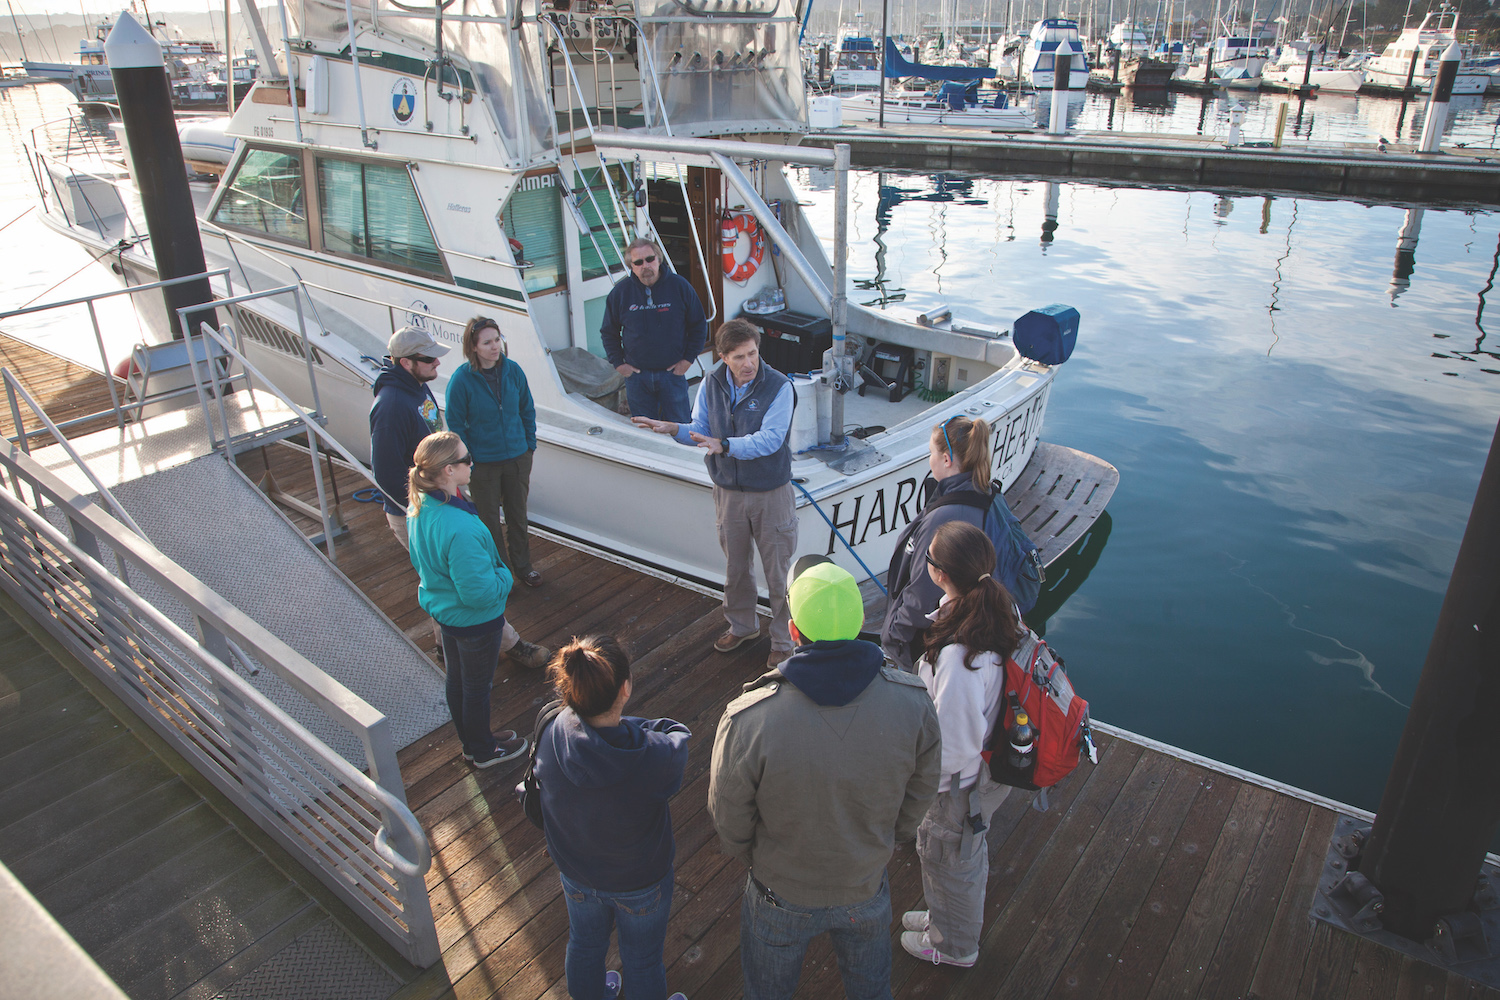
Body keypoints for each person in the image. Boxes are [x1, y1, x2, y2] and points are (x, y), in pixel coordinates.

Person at [708, 556, 941, 1000]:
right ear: (858, 625)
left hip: (779, 889)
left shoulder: (750, 717)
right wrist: (890, 837)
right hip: (865, 881)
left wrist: (756, 857)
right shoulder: (913, 703)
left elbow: (728, 816)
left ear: (794, 631)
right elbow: (923, 787)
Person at [632, 318, 797, 668]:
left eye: (752, 353)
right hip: (728, 493)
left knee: (778, 573)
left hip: (771, 492)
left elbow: (771, 439)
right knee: (736, 567)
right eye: (738, 357)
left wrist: (723, 445)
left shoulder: (780, 387)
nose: (748, 363)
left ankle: (784, 640)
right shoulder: (711, 383)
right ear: (723, 357)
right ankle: (743, 626)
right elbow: (700, 429)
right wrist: (674, 429)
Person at [534, 636, 691, 1000]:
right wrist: (623, 724)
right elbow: (675, 733)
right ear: (625, 688)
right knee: (643, 960)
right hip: (640, 880)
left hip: (575, 870)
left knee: (585, 944)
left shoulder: (550, 728)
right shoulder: (655, 756)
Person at [902, 521, 1025, 968]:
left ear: (939, 574)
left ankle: (954, 947)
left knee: (950, 858)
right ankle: (942, 917)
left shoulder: (959, 656)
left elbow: (953, 746)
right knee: (954, 856)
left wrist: (919, 793)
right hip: (990, 769)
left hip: (962, 785)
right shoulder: (999, 611)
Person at [405, 432, 544, 768]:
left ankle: (473, 741)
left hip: (447, 614)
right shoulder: (458, 527)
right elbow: (478, 594)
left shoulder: (422, 506)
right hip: (475, 623)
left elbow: (420, 561)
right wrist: (505, 576)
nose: (472, 462)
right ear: (448, 471)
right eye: (466, 459)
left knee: (458, 681)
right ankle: (482, 751)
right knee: (477, 688)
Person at [881, 414, 995, 672]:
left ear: (946, 459)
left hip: (936, 640)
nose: (929, 459)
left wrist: (892, 636)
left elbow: (924, 590)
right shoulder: (984, 494)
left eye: (931, 452)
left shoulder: (945, 518)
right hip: (974, 627)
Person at [445, 316, 542, 588]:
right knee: (488, 523)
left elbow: (527, 409)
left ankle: (524, 568)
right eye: (487, 342)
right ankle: (501, 574)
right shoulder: (461, 380)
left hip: (517, 458)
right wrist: (468, 460)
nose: (494, 347)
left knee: (518, 516)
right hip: (483, 464)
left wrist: (529, 446)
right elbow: (455, 422)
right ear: (473, 347)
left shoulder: (513, 371)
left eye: (497, 340)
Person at [601, 237, 707, 422]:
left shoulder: (680, 287)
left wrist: (688, 360)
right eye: (638, 262)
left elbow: (698, 325)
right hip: (637, 379)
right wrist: (619, 364)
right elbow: (609, 332)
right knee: (645, 433)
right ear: (631, 266)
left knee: (680, 430)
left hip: (672, 376)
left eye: (650, 259)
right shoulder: (620, 293)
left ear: (659, 259)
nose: (645, 266)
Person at [370, 325, 447, 549]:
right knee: (440, 579)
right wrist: (421, 507)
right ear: (405, 363)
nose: (437, 362)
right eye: (430, 358)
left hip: (436, 499)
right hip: (417, 511)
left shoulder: (418, 384)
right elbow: (386, 473)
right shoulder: (390, 406)